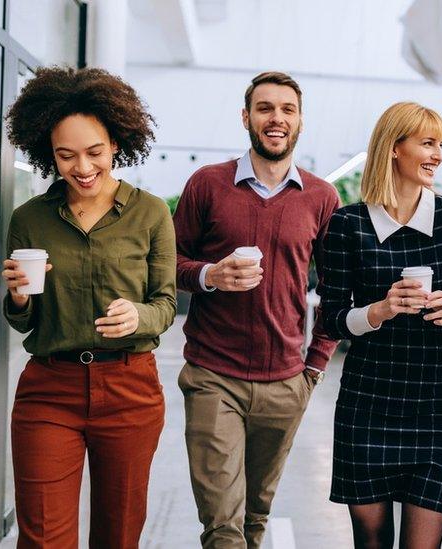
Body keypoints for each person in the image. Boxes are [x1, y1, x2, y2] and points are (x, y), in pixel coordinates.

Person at [1, 66, 175, 548]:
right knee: (42, 538)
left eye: (95, 151)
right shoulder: (30, 219)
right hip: (49, 391)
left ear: (117, 143)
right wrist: (18, 296)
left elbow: (165, 303)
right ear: (48, 153)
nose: (82, 167)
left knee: (118, 536)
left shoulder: (151, 213)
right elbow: (25, 320)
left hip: (129, 388)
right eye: (66, 155)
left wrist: (138, 316)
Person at [173, 71, 340, 549]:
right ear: (246, 118)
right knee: (222, 525)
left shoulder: (321, 196)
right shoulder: (207, 185)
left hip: (287, 380)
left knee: (255, 517)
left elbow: (336, 287)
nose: (276, 119)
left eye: (287, 110)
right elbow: (166, 264)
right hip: (213, 374)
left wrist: (316, 363)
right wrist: (210, 276)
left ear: (300, 122)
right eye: (265, 108)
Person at [319, 102, 442, 549]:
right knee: (371, 542)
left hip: (434, 399)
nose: (437, 155)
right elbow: (331, 320)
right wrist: (381, 309)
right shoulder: (347, 224)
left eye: (440, 145)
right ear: (394, 149)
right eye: (428, 143)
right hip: (368, 399)